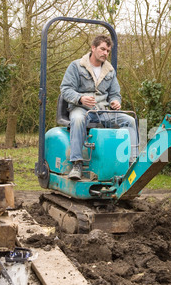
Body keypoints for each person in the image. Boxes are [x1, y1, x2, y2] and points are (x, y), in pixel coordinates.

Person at [60, 35, 139, 180]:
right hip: (82, 108)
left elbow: (115, 94)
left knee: (130, 121)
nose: (105, 53)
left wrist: (115, 101)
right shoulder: (76, 66)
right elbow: (65, 89)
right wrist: (81, 98)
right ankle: (77, 164)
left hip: (102, 110)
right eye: (102, 49)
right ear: (93, 48)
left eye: (108, 51)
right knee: (77, 120)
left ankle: (132, 163)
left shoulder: (110, 71)